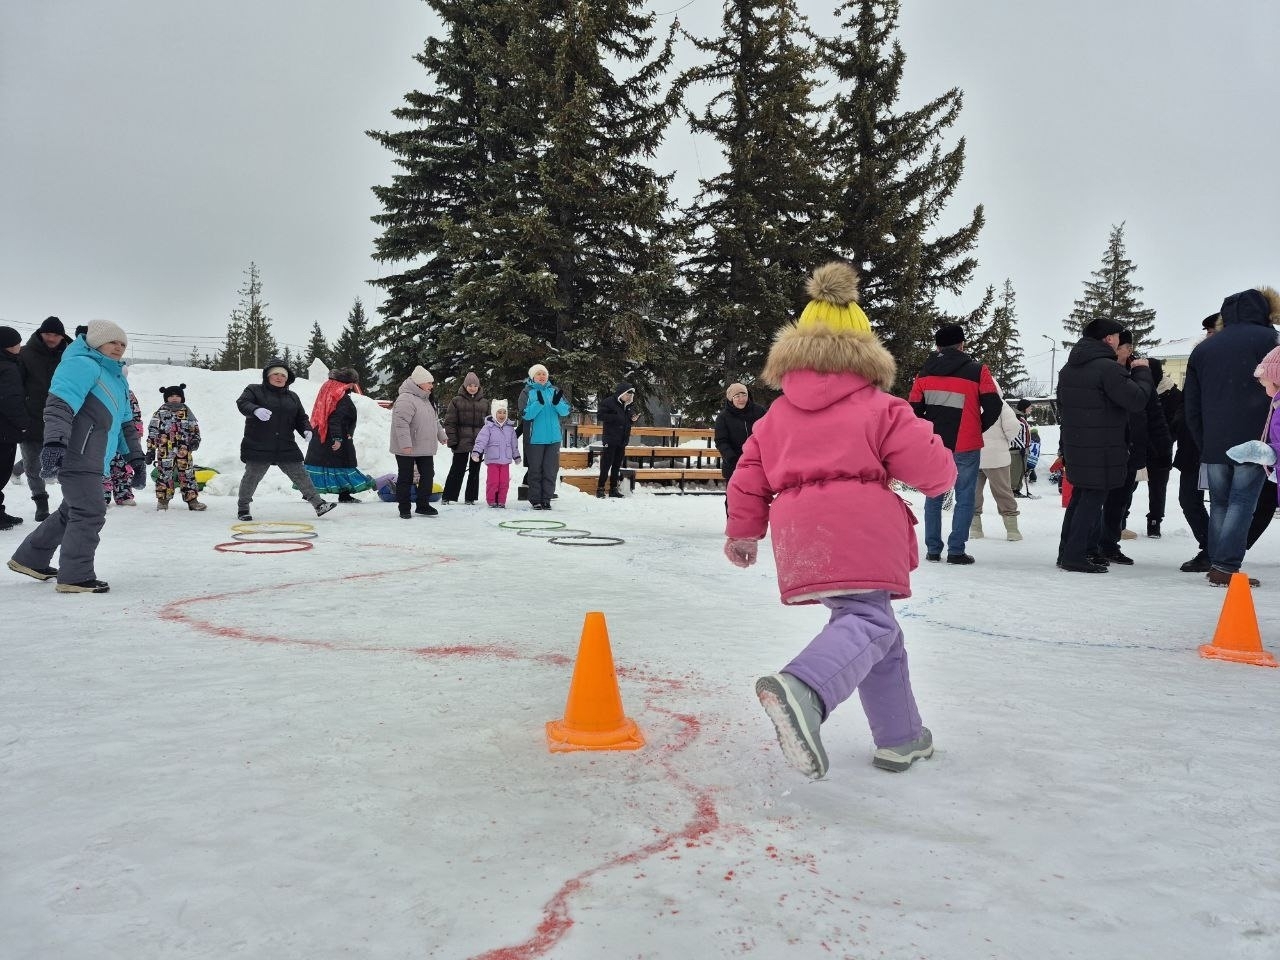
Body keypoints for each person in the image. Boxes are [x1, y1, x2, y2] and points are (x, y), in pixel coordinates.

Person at [725, 261, 956, 780]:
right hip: (860, 528)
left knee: (879, 633)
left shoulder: (775, 415)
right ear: (865, 352)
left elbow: (748, 475)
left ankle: (901, 736)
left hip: (800, 535)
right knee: (869, 620)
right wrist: (933, 443)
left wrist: (742, 531)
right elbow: (935, 473)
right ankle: (806, 689)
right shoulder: (882, 407)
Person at [8, 320, 145, 593]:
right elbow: (59, 406)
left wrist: (136, 458)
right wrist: (55, 443)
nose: (118, 348)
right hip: (77, 453)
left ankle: (30, 559)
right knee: (90, 511)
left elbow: (125, 424)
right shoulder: (81, 364)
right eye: (112, 342)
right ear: (95, 342)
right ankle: (75, 576)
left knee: (71, 511)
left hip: (95, 456)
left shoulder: (115, 377)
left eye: (122, 344)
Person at [1184, 287, 1280, 586]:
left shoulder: (1204, 349)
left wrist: (1204, 441)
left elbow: (1192, 403)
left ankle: (1217, 562)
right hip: (1255, 439)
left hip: (1214, 440)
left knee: (1221, 503)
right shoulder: (1271, 340)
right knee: (1242, 503)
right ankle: (1225, 567)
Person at [1055, 318, 1152, 573]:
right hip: (1102, 446)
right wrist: (1141, 371)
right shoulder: (1107, 369)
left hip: (1078, 444)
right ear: (1109, 339)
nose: (1121, 341)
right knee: (1091, 499)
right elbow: (1137, 399)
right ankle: (1074, 555)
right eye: (1118, 337)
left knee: (1081, 497)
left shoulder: (1069, 369)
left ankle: (1069, 551)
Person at [908, 323, 1002, 564]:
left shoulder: (923, 374)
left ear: (937, 346)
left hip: (935, 443)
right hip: (966, 443)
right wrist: (977, 426)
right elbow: (994, 406)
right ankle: (957, 550)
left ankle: (932, 549)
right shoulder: (978, 370)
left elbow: (914, 410)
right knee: (965, 496)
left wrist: (929, 431)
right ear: (962, 344)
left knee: (934, 495)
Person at [1096, 331, 1171, 564]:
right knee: (1096, 499)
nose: (1124, 350)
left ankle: (1109, 544)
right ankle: (1090, 544)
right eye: (1121, 346)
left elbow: (1154, 415)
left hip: (1132, 448)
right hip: (1102, 447)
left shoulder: (1140, 375)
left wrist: (1162, 449)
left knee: (1120, 500)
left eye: (1125, 346)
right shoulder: (1100, 371)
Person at [234, 359, 336, 523]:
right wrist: (255, 409)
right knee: (252, 476)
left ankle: (318, 504)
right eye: (275, 374)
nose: (279, 377)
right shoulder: (254, 390)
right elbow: (242, 403)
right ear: (268, 376)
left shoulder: (292, 397)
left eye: (283, 375)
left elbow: (300, 417)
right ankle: (243, 507)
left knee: (301, 475)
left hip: (285, 444)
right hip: (259, 443)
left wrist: (307, 430)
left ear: (287, 378)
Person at [17, 316, 71, 521]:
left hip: (62, 417)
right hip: (32, 416)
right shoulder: (25, 354)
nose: (51, 338)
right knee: (32, 464)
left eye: (56, 335)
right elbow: (16, 386)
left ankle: (71, 502)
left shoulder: (69, 356)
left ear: (62, 336)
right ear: (41, 333)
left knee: (65, 460)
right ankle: (41, 502)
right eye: (48, 334)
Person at [304, 368, 371, 504]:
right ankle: (344, 495)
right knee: (343, 466)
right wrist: (338, 438)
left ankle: (309, 493)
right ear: (347, 383)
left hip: (321, 436)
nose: (353, 386)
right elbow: (335, 419)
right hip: (335, 437)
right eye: (352, 383)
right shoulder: (340, 397)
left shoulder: (328, 393)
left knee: (321, 465)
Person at [390, 365, 449, 519]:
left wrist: (441, 436)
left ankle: (423, 505)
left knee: (428, 474)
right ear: (420, 382)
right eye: (429, 382)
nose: (432, 385)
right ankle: (404, 508)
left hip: (424, 445)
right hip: (407, 447)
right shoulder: (406, 398)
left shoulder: (425, 399)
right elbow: (401, 423)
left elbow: (434, 421)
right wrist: (406, 445)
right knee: (406, 476)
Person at [970, 395, 1023, 541]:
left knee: (973, 492)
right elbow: (1013, 427)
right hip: (996, 456)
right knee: (1003, 491)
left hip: (972, 454)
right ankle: (1012, 530)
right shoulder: (1000, 404)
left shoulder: (969, 401)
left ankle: (975, 529)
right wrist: (1005, 441)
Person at [519, 363, 570, 510]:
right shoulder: (527, 392)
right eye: (538, 374)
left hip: (553, 438)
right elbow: (525, 415)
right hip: (535, 439)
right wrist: (539, 404)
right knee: (535, 470)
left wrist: (556, 404)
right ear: (533, 377)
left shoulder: (555, 391)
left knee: (550, 470)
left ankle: (546, 499)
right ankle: (535, 500)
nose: (542, 376)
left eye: (544, 374)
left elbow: (565, 411)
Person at [147, 384, 206, 511]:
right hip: (165, 450)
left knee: (188, 474)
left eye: (177, 396)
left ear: (182, 398)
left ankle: (192, 501)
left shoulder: (187, 411)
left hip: (184, 449)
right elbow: (153, 430)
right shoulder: (160, 412)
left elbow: (194, 428)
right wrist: (150, 449)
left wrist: (195, 439)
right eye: (171, 396)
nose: (174, 398)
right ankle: (163, 501)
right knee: (164, 475)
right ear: (166, 398)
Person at [0, 326, 31, 530]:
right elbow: (10, 400)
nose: (20, 346)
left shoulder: (9, 363)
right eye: (17, 343)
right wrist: (24, 424)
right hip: (4, 430)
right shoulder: (7, 367)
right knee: (1, 472)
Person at [441, 371, 487, 505]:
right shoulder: (456, 401)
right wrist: (453, 441)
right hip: (461, 441)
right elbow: (450, 422)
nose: (472, 388)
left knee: (474, 471)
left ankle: (470, 497)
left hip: (478, 443)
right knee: (457, 469)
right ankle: (448, 496)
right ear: (465, 386)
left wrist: (486, 442)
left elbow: (489, 425)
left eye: (475, 385)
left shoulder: (485, 402)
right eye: (470, 385)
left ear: (478, 386)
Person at [103, 370, 143, 508]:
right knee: (102, 466)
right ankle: (102, 495)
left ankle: (124, 494)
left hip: (123, 437)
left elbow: (135, 414)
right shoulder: (99, 390)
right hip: (104, 435)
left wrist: (136, 434)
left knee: (123, 467)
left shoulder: (128, 394)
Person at [471, 399, 521, 507]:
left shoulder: (510, 428)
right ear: (494, 413)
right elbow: (481, 441)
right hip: (493, 460)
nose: (502, 415)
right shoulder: (488, 427)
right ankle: (492, 500)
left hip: (505, 461)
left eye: (504, 412)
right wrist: (476, 452)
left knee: (504, 482)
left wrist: (516, 456)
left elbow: (513, 444)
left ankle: (502, 501)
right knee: (493, 482)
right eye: (499, 412)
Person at [713, 382, 766, 482]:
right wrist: (731, 458)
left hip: (758, 464)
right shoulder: (723, 417)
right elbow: (721, 441)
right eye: (737, 396)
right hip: (734, 465)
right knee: (734, 497)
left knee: (756, 496)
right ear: (731, 399)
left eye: (744, 395)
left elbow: (769, 433)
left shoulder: (760, 411)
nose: (741, 399)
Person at [596, 382, 638, 498]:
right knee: (606, 465)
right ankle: (600, 488)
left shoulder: (628, 406)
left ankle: (613, 489)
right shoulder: (609, 402)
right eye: (628, 394)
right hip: (610, 439)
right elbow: (600, 416)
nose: (629, 396)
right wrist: (615, 417)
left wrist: (632, 419)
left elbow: (627, 420)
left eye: (631, 395)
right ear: (622, 393)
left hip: (622, 440)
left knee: (616, 466)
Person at [1008, 399, 1033, 496]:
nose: (1031, 408)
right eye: (1029, 407)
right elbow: (1013, 435)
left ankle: (1017, 489)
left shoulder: (1022, 418)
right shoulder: (1017, 418)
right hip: (1017, 450)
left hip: (1023, 449)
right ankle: (1012, 489)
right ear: (1024, 407)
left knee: (1022, 470)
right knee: (1016, 470)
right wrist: (1022, 447)